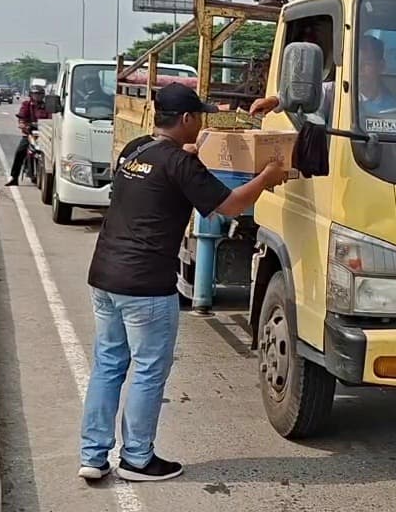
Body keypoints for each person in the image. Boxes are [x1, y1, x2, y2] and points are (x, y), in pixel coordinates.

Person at [78, 83, 291, 483]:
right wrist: (268, 175)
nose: (202, 125)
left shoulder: (136, 150)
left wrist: (187, 154)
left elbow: (164, 168)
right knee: (147, 370)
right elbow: (231, 205)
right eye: (200, 118)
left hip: (104, 276)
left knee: (108, 365)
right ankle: (138, 459)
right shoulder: (180, 165)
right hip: (146, 285)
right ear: (188, 119)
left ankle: (93, 455)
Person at [249, 34, 396, 120]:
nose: (359, 69)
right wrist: (273, 101)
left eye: (366, 63)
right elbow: (304, 93)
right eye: (355, 63)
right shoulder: (333, 91)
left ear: (381, 66)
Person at [6, 85, 50, 186]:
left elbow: (51, 118)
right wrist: (23, 125)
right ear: (31, 95)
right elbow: (22, 117)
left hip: (44, 134)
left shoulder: (47, 106)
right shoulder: (27, 105)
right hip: (30, 134)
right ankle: (14, 177)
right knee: (19, 152)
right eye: (35, 94)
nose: (37, 96)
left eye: (40, 94)